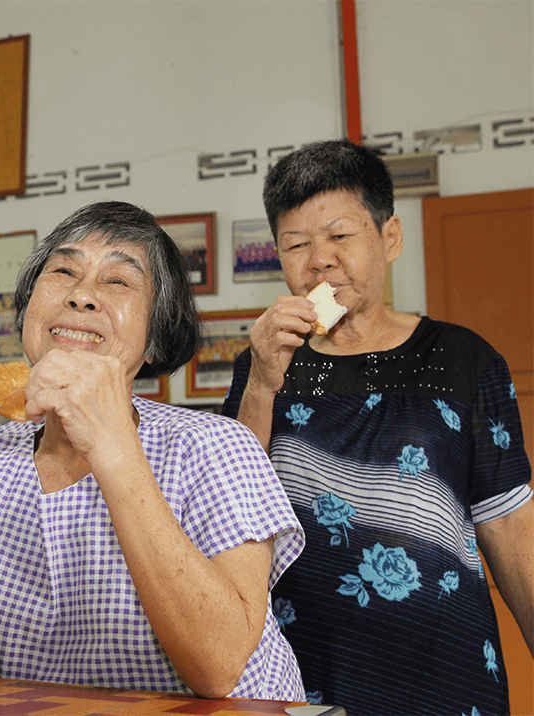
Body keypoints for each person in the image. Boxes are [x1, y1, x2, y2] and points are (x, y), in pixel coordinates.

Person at [0, 201, 306, 699]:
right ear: (28, 311)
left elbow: (219, 668)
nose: (82, 295)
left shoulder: (215, 447)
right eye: (64, 270)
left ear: (155, 337)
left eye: (119, 281)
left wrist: (111, 445)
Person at [221, 139, 533, 714]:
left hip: (447, 675)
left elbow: (514, 539)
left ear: (389, 239)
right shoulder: (263, 365)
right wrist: (263, 382)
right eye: (297, 244)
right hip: (298, 673)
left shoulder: (462, 359)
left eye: (340, 236)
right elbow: (228, 510)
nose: (319, 260)